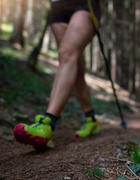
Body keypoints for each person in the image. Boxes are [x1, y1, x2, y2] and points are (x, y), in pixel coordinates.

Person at [13, 0, 103, 149]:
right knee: (73, 64)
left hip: (83, 5)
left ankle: (48, 124)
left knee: (67, 54)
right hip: (57, 6)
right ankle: (91, 119)